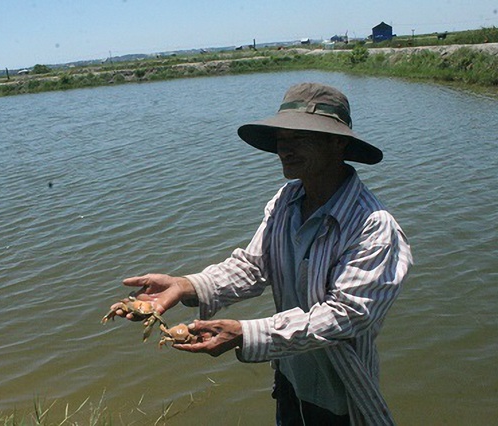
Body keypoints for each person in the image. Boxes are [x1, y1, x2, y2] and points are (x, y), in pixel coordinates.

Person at [110, 82, 413, 425]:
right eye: (282, 139)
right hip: (290, 378)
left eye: (300, 137)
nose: (285, 149)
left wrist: (248, 334)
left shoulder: (373, 226)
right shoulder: (286, 201)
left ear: (337, 142)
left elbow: (346, 316)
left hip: (341, 392)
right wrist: (185, 286)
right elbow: (253, 267)